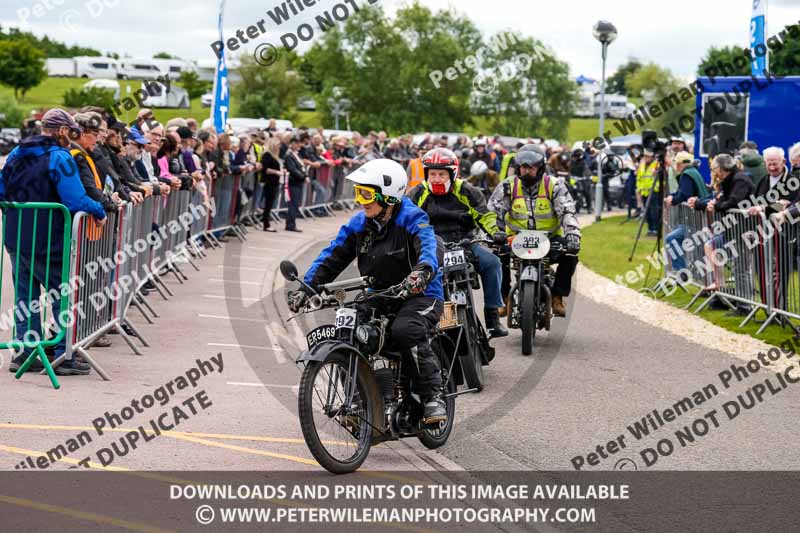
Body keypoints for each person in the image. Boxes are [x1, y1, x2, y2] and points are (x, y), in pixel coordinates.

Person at [288, 159, 447, 424]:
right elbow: (333, 256)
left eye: (367, 193)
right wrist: (306, 287)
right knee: (346, 330)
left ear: (389, 194)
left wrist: (421, 274)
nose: (361, 200)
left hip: (420, 295)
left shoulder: (412, 218)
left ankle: (432, 395)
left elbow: (429, 248)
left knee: (405, 330)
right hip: (379, 295)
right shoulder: (359, 224)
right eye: (358, 192)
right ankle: (360, 403)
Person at [0, 108, 106, 375]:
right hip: (49, 238)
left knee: (26, 297)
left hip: (17, 235)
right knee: (61, 295)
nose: (71, 138)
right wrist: (100, 209)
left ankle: (25, 352)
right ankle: (62, 355)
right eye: (69, 132)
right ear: (60, 131)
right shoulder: (60, 157)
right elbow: (75, 200)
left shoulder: (16, 153)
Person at [409, 148, 509, 338]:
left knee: (493, 263)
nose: (437, 178)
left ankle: (492, 317)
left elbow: (484, 214)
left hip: (464, 242)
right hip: (431, 247)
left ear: (452, 173)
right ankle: (425, 321)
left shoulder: (467, 190)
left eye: (441, 174)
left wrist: (496, 232)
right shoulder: (418, 192)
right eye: (432, 174)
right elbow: (405, 218)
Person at [488, 144, 581, 318]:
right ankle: (505, 299)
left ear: (540, 168)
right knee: (496, 255)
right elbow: (492, 212)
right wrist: (495, 233)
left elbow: (568, 212)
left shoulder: (554, 185)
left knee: (571, 255)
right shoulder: (507, 186)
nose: (527, 171)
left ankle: (557, 296)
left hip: (550, 239)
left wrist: (572, 236)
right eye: (524, 167)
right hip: (515, 239)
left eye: (531, 167)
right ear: (518, 168)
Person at [688, 154, 755, 300]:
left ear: (720, 168)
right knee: (710, 245)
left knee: (741, 269)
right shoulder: (728, 180)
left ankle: (745, 304)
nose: (712, 171)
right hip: (732, 229)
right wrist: (706, 204)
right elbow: (721, 199)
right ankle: (719, 282)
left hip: (744, 229)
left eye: (713, 168)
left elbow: (734, 202)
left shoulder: (740, 179)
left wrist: (716, 206)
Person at [663, 152, 711, 277]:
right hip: (696, 217)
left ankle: (684, 273)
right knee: (697, 249)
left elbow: (684, 194)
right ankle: (689, 274)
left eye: (677, 164)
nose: (676, 167)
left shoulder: (687, 174)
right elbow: (682, 192)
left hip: (693, 218)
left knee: (674, 240)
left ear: (680, 164)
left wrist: (673, 200)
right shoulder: (694, 172)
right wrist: (673, 196)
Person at [746, 146, 797, 217]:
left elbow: (788, 205)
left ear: (783, 162)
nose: (772, 168)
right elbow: (754, 200)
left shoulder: (792, 181)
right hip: (762, 226)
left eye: (775, 164)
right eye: (769, 164)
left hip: (782, 225)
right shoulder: (763, 180)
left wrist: (763, 208)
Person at [283, 136, 307, 232]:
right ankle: (290, 224)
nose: (298, 145)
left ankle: (291, 223)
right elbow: (292, 169)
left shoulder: (297, 155)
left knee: (296, 204)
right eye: (296, 143)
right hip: (293, 182)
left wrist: (305, 175)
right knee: (293, 204)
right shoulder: (289, 156)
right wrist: (303, 177)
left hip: (298, 182)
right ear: (292, 144)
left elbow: (301, 167)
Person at [260, 137, 284, 232]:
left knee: (270, 203)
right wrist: (276, 172)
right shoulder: (267, 155)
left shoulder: (275, 156)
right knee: (268, 204)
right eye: (277, 145)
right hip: (269, 182)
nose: (279, 147)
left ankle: (267, 222)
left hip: (274, 182)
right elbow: (265, 169)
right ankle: (266, 224)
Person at [636, 149, 661, 236]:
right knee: (647, 212)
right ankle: (650, 229)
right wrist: (639, 188)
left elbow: (661, 178)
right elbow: (639, 177)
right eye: (645, 156)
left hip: (654, 191)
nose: (646, 158)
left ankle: (655, 229)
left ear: (652, 157)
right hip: (644, 192)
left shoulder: (657, 164)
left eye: (648, 156)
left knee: (654, 211)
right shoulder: (642, 165)